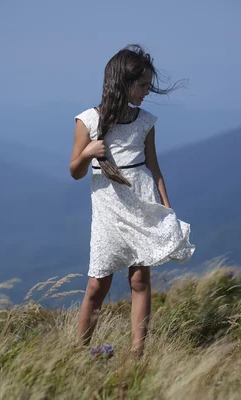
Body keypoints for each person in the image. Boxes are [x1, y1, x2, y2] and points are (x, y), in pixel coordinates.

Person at [69, 44, 195, 357]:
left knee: (140, 279)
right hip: (108, 203)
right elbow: (74, 171)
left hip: (141, 198)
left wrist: (166, 208)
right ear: (122, 83)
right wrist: (87, 154)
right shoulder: (88, 121)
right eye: (141, 86)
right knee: (98, 284)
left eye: (148, 86)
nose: (146, 92)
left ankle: (138, 354)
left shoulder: (146, 121)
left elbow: (154, 166)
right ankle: (77, 354)